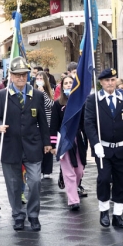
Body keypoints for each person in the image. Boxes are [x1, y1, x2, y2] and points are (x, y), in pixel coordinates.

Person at [0, 56, 51, 231]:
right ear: (10, 75)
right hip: (10, 146)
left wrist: (47, 142)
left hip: (32, 146)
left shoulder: (37, 95)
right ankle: (18, 214)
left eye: (24, 74)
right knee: (14, 184)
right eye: (17, 75)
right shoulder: (2, 95)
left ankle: (33, 215)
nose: (21, 78)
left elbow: (43, 121)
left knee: (35, 182)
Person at [85, 68, 123, 228]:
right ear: (101, 82)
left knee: (121, 181)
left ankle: (118, 215)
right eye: (107, 80)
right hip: (103, 149)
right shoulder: (93, 100)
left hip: (122, 148)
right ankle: (104, 210)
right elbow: (89, 123)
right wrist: (95, 143)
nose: (110, 83)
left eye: (113, 80)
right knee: (104, 179)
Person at [50, 75, 88, 210]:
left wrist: (88, 139)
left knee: (79, 171)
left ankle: (73, 187)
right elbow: (53, 125)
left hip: (78, 139)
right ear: (62, 86)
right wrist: (53, 145)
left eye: (70, 83)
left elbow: (84, 123)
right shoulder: (57, 104)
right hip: (64, 140)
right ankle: (73, 200)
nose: (68, 85)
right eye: (65, 83)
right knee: (69, 172)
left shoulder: (81, 103)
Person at [33, 71, 54, 179]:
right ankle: (39, 169)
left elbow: (51, 105)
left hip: (48, 124)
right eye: (37, 79)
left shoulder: (49, 92)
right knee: (38, 148)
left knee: (48, 147)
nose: (39, 81)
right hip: (36, 125)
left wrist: (43, 94)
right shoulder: (32, 93)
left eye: (41, 79)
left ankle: (47, 170)